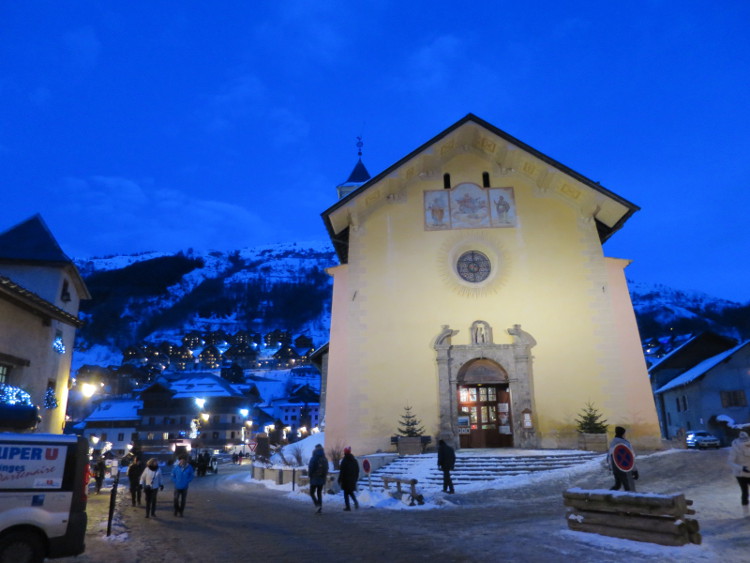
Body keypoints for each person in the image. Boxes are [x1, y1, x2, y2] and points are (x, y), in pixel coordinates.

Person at [608, 426, 638, 491]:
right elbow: (630, 458)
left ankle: (609, 495)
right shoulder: (625, 443)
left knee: (617, 485)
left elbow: (609, 456)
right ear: (623, 434)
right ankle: (630, 500)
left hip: (615, 467)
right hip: (625, 468)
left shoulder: (612, 442)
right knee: (628, 487)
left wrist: (611, 467)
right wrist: (634, 470)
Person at [728, 431, 750, 508]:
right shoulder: (735, 449)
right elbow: (730, 462)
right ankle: (746, 512)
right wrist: (741, 468)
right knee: (745, 491)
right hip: (740, 474)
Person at [308, 444, 328, 514]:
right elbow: (326, 469)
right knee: (319, 493)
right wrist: (324, 477)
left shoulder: (314, 457)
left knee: (311, 492)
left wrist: (310, 475)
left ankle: (317, 505)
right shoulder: (324, 458)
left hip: (314, 478)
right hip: (322, 478)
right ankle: (320, 508)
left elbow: (311, 467)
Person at [338, 447, 360, 511]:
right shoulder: (354, 460)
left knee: (346, 493)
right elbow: (357, 470)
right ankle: (355, 501)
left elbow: (342, 471)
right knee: (350, 492)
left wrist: (340, 479)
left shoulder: (344, 461)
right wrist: (355, 478)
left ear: (345, 452)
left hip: (345, 480)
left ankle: (348, 507)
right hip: (352, 479)